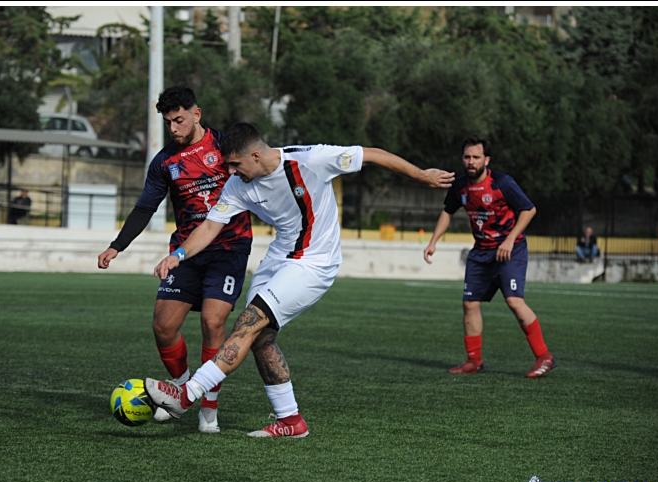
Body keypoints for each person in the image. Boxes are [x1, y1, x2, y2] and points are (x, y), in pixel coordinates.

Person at [145, 122, 454, 438]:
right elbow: (210, 227)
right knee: (260, 338)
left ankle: (185, 396)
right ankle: (291, 421)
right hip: (279, 257)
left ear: (255, 155)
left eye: (235, 164)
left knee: (248, 323)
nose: (231, 171)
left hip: (315, 262)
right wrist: (178, 255)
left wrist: (421, 175)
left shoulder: (311, 160)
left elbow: (372, 154)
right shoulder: (237, 185)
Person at [97, 86, 253, 433]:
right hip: (185, 251)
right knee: (163, 326)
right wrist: (116, 246)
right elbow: (145, 207)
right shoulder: (164, 162)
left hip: (229, 248)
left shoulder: (225, 145)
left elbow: (259, 174)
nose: (173, 128)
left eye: (178, 120)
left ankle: (208, 409)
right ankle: (181, 392)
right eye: (168, 122)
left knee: (213, 322)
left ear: (197, 114)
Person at [423, 134, 556, 378]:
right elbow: (448, 211)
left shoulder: (503, 183)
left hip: (509, 249)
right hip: (481, 251)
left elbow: (529, 210)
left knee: (514, 302)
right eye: (467, 157)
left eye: (476, 157)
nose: (471, 161)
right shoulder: (460, 186)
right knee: (469, 303)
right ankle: (474, 361)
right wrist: (433, 242)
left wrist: (509, 239)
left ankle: (544, 356)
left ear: (486, 160)